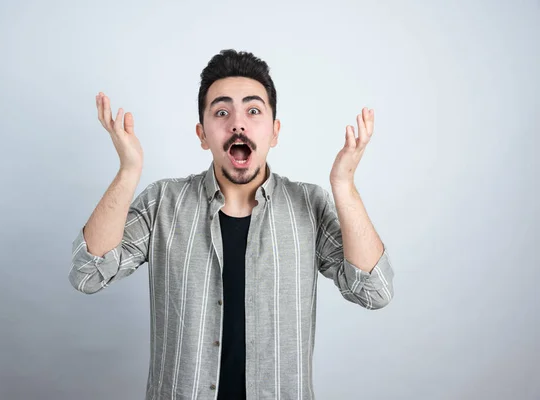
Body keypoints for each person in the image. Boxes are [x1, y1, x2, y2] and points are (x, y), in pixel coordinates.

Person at [69, 49, 395, 400]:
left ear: (274, 131)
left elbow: (374, 291)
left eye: (253, 111)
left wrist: (344, 186)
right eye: (221, 112)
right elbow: (88, 274)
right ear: (202, 134)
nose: (238, 123)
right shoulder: (162, 202)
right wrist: (128, 170)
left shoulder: (309, 205)